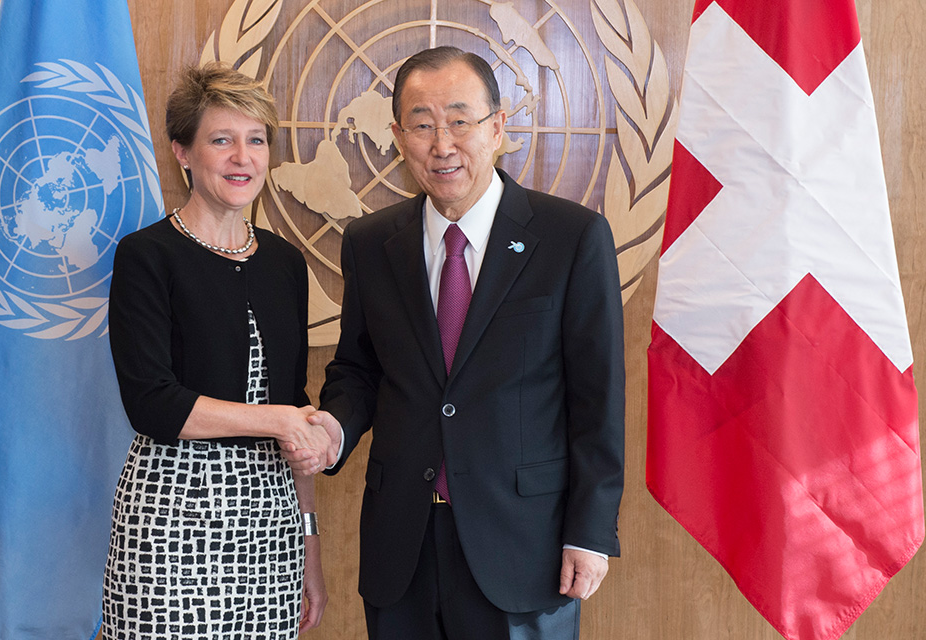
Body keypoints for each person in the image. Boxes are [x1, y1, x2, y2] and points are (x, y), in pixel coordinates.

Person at [290, 46, 626, 639]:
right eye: (421, 125)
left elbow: (597, 398)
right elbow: (360, 369)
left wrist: (590, 532)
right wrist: (335, 429)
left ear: (497, 127)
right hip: (404, 546)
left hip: (525, 544)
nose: (442, 144)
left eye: (460, 121)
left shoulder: (571, 236)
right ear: (398, 136)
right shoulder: (371, 242)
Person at [103, 63, 338, 640]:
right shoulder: (146, 256)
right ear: (183, 152)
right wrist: (278, 419)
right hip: (172, 516)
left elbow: (294, 410)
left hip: (271, 521)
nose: (243, 157)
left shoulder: (286, 263)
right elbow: (153, 403)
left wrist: (308, 541)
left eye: (256, 140)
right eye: (222, 140)